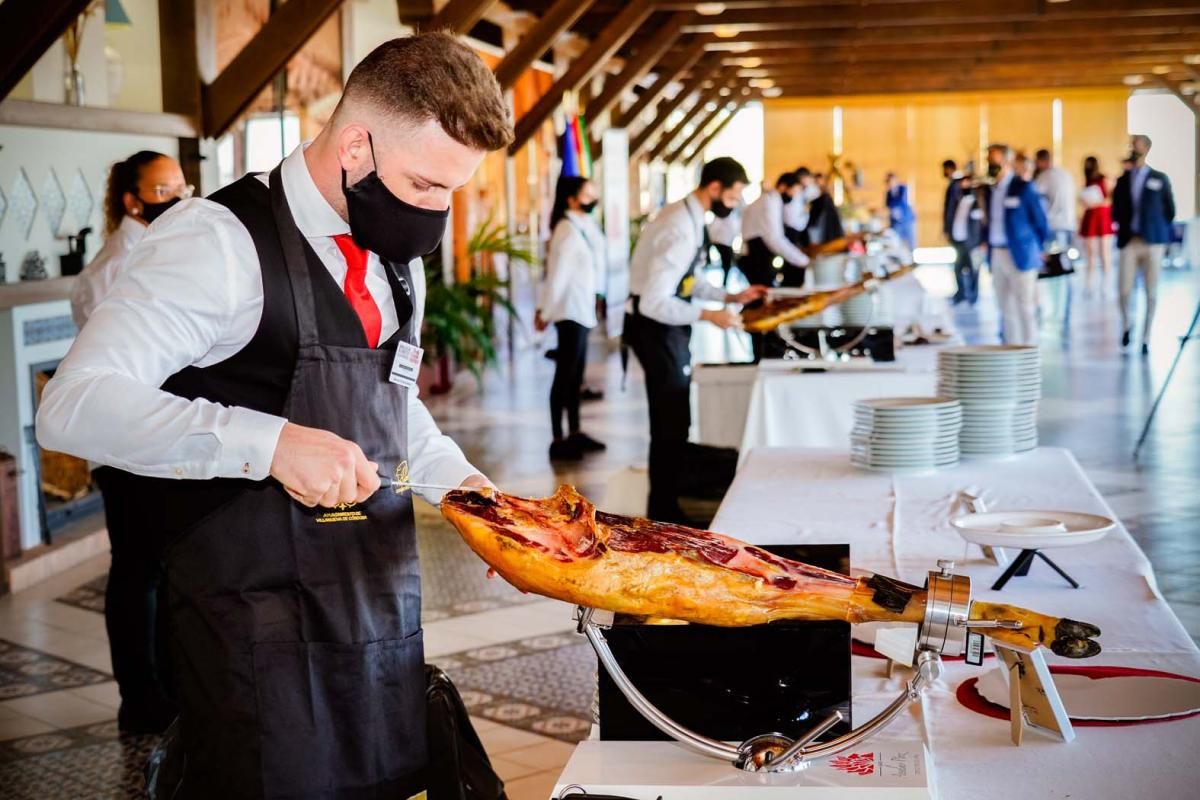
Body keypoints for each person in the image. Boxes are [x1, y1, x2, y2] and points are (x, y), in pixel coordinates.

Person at [38, 33, 510, 798]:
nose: (438, 211)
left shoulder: (393, 252)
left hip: (376, 616)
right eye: (426, 184)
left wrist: (464, 492)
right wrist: (269, 442)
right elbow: (73, 404)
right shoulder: (217, 241)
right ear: (355, 144)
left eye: (450, 191)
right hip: (256, 638)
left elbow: (393, 402)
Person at [67, 150, 191, 735]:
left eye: (183, 185)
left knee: (164, 569)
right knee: (138, 571)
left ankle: (167, 687)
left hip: (159, 439)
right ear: (133, 200)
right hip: (124, 446)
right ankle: (140, 698)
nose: (180, 195)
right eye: (165, 188)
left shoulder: (167, 248)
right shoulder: (112, 272)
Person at [624, 157, 767, 523]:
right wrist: (708, 315)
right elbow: (656, 301)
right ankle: (663, 510)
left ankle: (670, 502)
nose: (734, 205)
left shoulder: (691, 218)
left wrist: (728, 297)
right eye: (733, 197)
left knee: (677, 419)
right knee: (669, 421)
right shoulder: (679, 227)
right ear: (715, 187)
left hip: (666, 327)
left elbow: (687, 283)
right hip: (654, 328)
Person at [70, 151, 191, 328]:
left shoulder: (163, 245)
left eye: (181, 190)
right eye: (162, 191)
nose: (178, 200)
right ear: (132, 202)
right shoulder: (115, 266)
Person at [535, 176, 606, 461]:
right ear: (571, 199)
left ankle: (575, 432)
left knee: (575, 375)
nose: (593, 199)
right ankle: (558, 438)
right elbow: (557, 276)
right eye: (587, 194)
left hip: (583, 309)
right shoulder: (565, 229)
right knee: (565, 374)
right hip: (569, 311)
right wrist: (545, 311)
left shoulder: (582, 225)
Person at [1112, 134, 1176, 353]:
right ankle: (1127, 325)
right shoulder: (1123, 180)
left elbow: (1170, 210)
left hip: (1152, 241)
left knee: (1151, 292)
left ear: (1147, 149)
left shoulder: (1160, 178)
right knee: (1124, 290)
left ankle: (1147, 336)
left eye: (1138, 146)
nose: (1134, 150)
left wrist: (1159, 232)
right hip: (1129, 241)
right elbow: (1116, 209)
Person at [983, 143, 1049, 346]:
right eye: (989, 161)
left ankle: (1029, 351)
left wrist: (1037, 248)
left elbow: (1041, 223)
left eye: (995, 160)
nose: (992, 165)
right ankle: (1011, 349)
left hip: (1021, 253)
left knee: (1025, 307)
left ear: (1006, 161)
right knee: (1005, 307)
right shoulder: (988, 190)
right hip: (997, 252)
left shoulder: (1023, 187)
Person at [740, 172, 809, 360]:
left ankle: (766, 346)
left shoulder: (773, 200)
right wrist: (801, 260)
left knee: (763, 298)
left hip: (757, 254)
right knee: (763, 299)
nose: (793, 197)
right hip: (756, 255)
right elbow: (774, 237)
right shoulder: (770, 200)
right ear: (784, 187)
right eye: (793, 192)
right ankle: (765, 349)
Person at [1078, 155, 1114, 296]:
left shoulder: (1105, 179)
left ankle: (1106, 284)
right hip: (1090, 218)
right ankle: (1089, 284)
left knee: (1105, 253)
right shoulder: (1086, 182)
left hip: (1103, 218)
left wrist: (1096, 202)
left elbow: (1110, 199)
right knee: (1090, 255)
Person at [949, 171, 984, 306]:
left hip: (973, 243)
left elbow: (981, 224)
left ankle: (973, 297)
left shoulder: (977, 202)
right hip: (959, 241)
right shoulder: (959, 200)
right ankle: (961, 294)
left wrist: (981, 242)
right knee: (958, 269)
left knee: (974, 270)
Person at [1033, 149, 1077, 251]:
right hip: (1069, 223)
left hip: (1053, 224)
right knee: (1065, 260)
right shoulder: (1066, 174)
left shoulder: (1044, 176)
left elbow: (1034, 198)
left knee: (1054, 261)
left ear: (1040, 161)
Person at [706, 195, 742, 287]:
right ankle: (724, 284)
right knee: (727, 263)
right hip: (722, 242)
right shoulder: (723, 215)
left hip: (725, 242)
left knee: (727, 263)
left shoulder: (732, 215)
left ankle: (725, 283)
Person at [803, 172, 845, 247]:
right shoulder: (818, 195)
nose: (819, 183)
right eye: (817, 181)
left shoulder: (824, 197)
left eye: (820, 180)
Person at [884, 172, 915, 250]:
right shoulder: (888, 193)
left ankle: (912, 259)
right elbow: (887, 205)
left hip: (906, 220)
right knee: (897, 243)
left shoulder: (903, 189)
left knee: (911, 242)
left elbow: (901, 201)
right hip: (895, 222)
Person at [784, 166, 814, 243]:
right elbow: (792, 217)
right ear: (802, 178)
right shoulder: (795, 193)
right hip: (793, 228)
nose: (810, 181)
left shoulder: (802, 191)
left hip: (798, 226)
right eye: (808, 178)